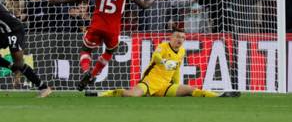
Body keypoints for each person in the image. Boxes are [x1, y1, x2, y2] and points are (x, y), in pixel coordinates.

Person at [49, 0, 158, 91]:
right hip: (112, 29)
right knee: (110, 51)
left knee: (86, 50)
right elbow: (144, 5)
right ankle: (93, 74)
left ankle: (86, 71)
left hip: (96, 25)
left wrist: (59, 1)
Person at [93, 26, 240, 98]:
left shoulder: (181, 51)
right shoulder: (163, 46)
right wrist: (164, 62)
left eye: (182, 37)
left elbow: (176, 69)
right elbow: (156, 57)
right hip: (149, 82)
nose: (179, 40)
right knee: (131, 95)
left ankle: (219, 95)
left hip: (165, 86)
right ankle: (101, 94)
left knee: (189, 89)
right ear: (171, 37)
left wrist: (175, 84)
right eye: (177, 37)